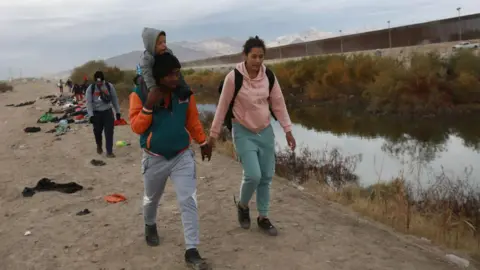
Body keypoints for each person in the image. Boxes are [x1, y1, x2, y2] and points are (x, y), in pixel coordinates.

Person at [129, 52, 212, 269]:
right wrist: (148, 105)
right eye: (170, 74)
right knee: (151, 199)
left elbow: (192, 120)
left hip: (182, 156)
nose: (176, 78)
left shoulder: (184, 93)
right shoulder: (139, 94)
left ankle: (191, 250)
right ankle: (150, 224)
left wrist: (202, 142)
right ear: (158, 77)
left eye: (177, 73)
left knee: (188, 200)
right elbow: (136, 127)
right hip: (154, 159)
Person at [208, 36, 296, 236]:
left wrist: (288, 130)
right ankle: (243, 205)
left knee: (266, 177)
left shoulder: (269, 77)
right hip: (242, 131)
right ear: (245, 56)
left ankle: (263, 217)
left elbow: (278, 104)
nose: (257, 61)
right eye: (253, 56)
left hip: (265, 131)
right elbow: (222, 107)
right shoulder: (234, 77)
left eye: (261, 56)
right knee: (253, 175)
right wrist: (213, 135)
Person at [139, 27, 191, 94]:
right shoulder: (146, 58)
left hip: (165, 83)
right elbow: (147, 76)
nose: (164, 45)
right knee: (143, 81)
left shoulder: (167, 52)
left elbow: (176, 69)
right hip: (150, 80)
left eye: (164, 42)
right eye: (160, 43)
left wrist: (184, 87)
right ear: (151, 45)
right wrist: (153, 90)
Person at [86, 71, 122, 158]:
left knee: (109, 132)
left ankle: (109, 152)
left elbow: (114, 99)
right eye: (97, 81)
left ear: (103, 80)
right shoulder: (91, 88)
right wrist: (91, 115)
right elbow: (89, 103)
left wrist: (117, 112)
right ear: (95, 81)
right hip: (96, 114)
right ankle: (99, 145)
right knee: (97, 132)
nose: (99, 83)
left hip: (108, 113)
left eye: (100, 81)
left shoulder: (109, 86)